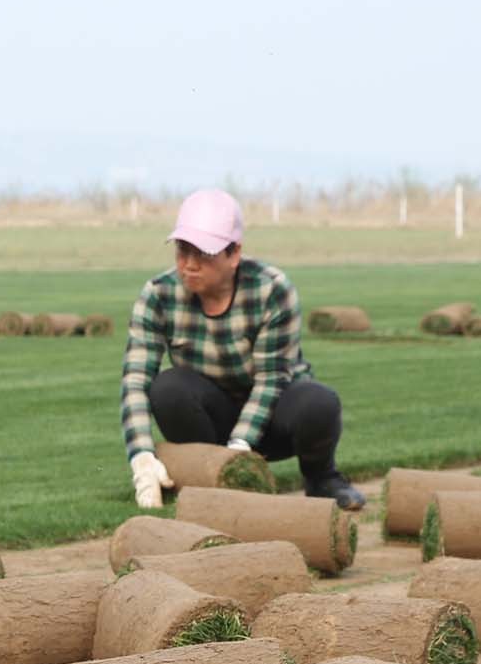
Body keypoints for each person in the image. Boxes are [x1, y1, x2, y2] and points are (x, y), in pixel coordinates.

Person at [120, 189, 362, 512]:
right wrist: (141, 455)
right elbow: (136, 379)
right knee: (168, 388)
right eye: (182, 250)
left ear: (234, 254)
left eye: (203, 253)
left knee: (320, 403)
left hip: (275, 414)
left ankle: (322, 478)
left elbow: (271, 379)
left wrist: (239, 447)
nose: (189, 264)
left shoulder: (272, 289)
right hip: (210, 417)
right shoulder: (158, 295)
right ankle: (208, 480)